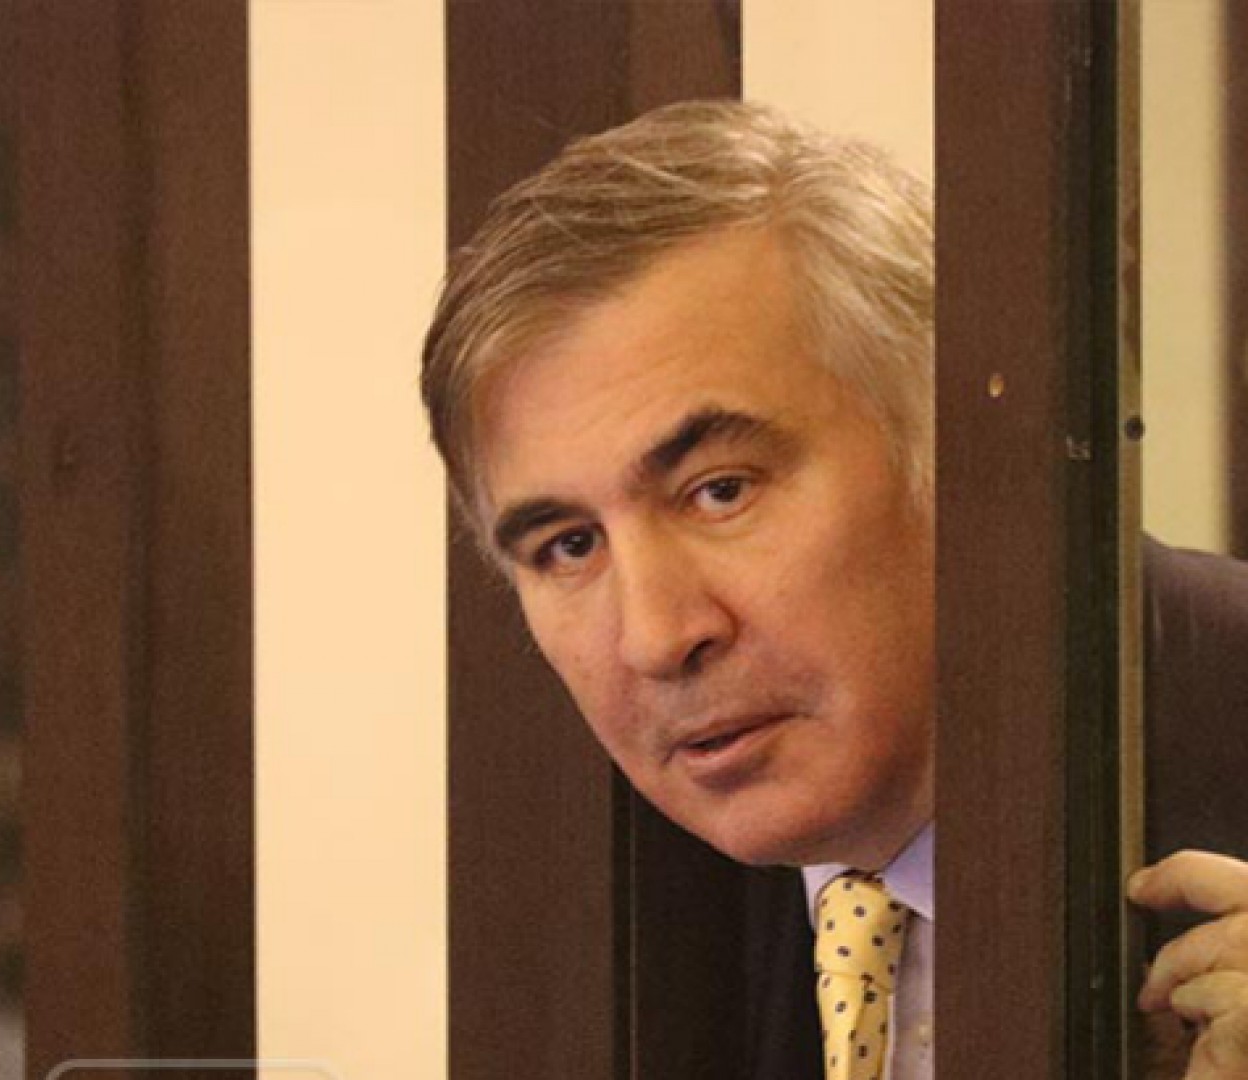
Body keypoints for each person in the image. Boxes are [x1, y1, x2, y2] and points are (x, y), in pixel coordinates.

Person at [418, 99, 1248, 1079]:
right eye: (567, 546)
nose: (655, 636)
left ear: (953, 447)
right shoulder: (599, 897)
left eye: (720, 492)